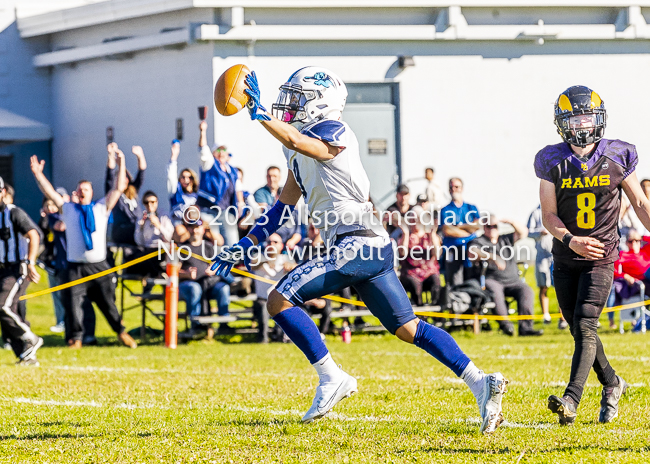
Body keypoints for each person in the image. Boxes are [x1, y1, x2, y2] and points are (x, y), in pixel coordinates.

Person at [210, 67, 508, 433]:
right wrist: (244, 244)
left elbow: (306, 145)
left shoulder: (332, 131)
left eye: (296, 97)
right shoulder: (296, 150)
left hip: (358, 243)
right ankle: (481, 382)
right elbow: (280, 209)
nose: (289, 104)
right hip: (368, 247)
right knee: (408, 328)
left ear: (319, 101)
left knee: (279, 300)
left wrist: (260, 115)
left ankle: (331, 377)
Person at [534, 85, 650, 424]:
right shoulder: (551, 159)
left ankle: (571, 399)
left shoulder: (618, 155)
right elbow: (548, 215)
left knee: (586, 323)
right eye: (577, 119)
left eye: (588, 118)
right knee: (578, 329)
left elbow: (640, 203)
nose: (583, 126)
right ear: (563, 123)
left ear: (599, 119)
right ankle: (612, 383)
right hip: (566, 255)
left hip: (602, 255)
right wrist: (570, 240)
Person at [30, 149, 138, 350]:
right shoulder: (68, 208)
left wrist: (121, 162)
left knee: (108, 304)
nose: (80, 192)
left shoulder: (101, 208)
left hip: (99, 265)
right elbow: (49, 193)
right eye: (79, 189)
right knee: (73, 305)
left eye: (85, 190)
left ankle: (121, 332)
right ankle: (76, 339)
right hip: (74, 267)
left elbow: (118, 187)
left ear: (91, 193)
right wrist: (38, 174)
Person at [469, 214, 542, 336]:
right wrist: (493, 257)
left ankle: (526, 328)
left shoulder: (505, 239)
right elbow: (472, 253)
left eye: (495, 226)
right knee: (496, 292)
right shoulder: (479, 241)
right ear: (484, 227)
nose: (492, 229)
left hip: (513, 281)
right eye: (489, 226)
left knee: (526, 290)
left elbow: (523, 232)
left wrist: (510, 221)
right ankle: (506, 326)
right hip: (492, 280)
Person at [0, 176, 43, 366]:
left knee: (3, 306)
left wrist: (30, 261)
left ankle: (30, 337)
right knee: (10, 311)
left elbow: (34, 235)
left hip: (17, 268)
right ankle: (27, 355)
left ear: (3, 193)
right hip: (1, 269)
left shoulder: (14, 213)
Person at [177, 218, 231, 337]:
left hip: (208, 283)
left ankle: (224, 324)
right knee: (195, 288)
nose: (194, 230)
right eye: (191, 227)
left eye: (197, 227)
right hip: (188, 284)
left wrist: (212, 270)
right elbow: (174, 271)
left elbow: (215, 265)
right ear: (187, 229)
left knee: (223, 288)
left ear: (202, 229)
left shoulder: (208, 246)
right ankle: (196, 325)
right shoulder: (182, 248)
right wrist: (186, 274)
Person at [196, 121, 244, 246]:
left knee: (232, 243)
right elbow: (203, 149)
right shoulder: (210, 164)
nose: (222, 152)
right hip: (209, 210)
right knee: (216, 243)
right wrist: (203, 131)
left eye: (224, 150)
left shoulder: (232, 170)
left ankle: (232, 265)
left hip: (226, 211)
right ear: (213, 153)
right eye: (219, 150)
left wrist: (240, 204)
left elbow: (238, 189)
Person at [527, 204, 568, 329]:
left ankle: (563, 318)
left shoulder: (560, 210)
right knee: (543, 286)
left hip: (557, 255)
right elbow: (528, 232)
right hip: (541, 255)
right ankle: (546, 315)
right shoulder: (535, 212)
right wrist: (539, 232)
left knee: (560, 287)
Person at [397, 206, 441, 306]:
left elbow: (437, 254)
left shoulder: (429, 236)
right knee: (414, 284)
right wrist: (406, 233)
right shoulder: (406, 236)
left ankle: (435, 311)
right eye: (412, 219)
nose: (415, 221)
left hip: (429, 272)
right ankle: (420, 311)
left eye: (417, 218)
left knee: (436, 280)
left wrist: (433, 234)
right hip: (411, 274)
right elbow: (402, 254)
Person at [440, 178, 480, 287]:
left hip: (469, 248)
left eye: (456, 187)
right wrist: (468, 231)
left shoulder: (471, 208)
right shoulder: (445, 210)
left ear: (461, 189)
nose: (454, 190)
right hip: (453, 249)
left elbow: (477, 226)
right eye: (451, 187)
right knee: (455, 282)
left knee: (472, 280)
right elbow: (447, 230)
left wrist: (458, 227)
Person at [106, 144, 146, 246]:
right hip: (122, 231)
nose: (123, 180)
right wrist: (111, 154)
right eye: (120, 177)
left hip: (136, 230)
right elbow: (109, 174)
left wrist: (140, 156)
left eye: (125, 177)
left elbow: (141, 173)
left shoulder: (133, 191)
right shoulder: (113, 194)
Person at [132, 190, 174, 278]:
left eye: (152, 202)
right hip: (147, 249)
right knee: (135, 259)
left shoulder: (164, 216)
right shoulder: (142, 218)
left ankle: (154, 276)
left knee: (149, 259)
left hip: (161, 249)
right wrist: (141, 226)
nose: (150, 205)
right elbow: (139, 242)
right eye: (146, 202)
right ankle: (157, 274)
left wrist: (159, 226)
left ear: (157, 202)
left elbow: (170, 237)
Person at [167, 139, 199, 228]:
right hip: (179, 225)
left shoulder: (198, 195)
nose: (186, 180)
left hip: (195, 226)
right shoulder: (175, 192)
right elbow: (170, 176)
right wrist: (174, 157)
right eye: (183, 177)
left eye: (189, 177)